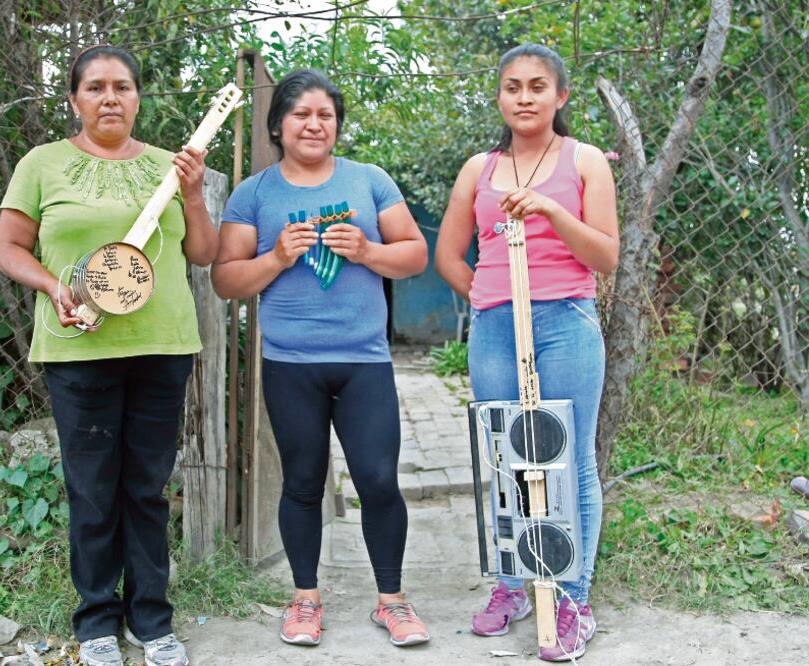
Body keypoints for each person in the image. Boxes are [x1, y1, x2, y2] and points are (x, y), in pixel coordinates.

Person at [0, 44, 218, 666]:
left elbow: (202, 253)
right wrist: (50, 285)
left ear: (138, 97)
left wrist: (195, 195)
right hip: (77, 347)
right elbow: (10, 246)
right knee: (92, 489)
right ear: (74, 99)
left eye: (122, 86)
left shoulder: (170, 168)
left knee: (146, 488)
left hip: (161, 345)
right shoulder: (43, 164)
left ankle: (153, 620)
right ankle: (97, 621)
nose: (110, 97)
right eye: (95, 87)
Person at [211, 69, 430, 648]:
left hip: (364, 360)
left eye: (325, 115)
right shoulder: (255, 193)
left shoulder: (370, 180)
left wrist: (368, 249)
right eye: (301, 114)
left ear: (336, 125)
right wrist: (277, 258)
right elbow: (226, 280)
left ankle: (393, 601)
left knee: (379, 480)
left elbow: (414, 255)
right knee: (303, 481)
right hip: (290, 363)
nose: (314, 124)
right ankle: (305, 599)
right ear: (278, 125)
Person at [435, 44, 619, 662]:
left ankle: (572, 598)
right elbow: (448, 255)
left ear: (560, 97)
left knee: (570, 458)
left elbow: (605, 255)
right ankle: (513, 585)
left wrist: (549, 210)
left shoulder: (585, 161)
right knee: (510, 455)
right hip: (494, 325)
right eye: (512, 86)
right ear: (500, 97)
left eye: (538, 86)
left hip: (566, 318)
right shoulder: (478, 169)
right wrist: (490, 301)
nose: (525, 96)